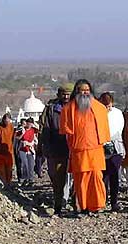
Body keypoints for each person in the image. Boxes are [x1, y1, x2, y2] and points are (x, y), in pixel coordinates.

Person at [60, 79, 111, 214]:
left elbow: (105, 129)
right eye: (82, 90)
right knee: (81, 179)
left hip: (96, 149)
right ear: (77, 92)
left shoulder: (99, 108)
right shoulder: (68, 109)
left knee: (96, 177)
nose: (84, 93)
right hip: (79, 151)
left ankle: (97, 205)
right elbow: (66, 130)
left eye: (87, 90)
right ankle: (83, 207)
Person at [39, 83, 74, 214]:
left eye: (68, 94)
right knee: (57, 178)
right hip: (57, 148)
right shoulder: (51, 108)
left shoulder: (77, 108)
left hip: (75, 147)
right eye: (63, 94)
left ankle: (77, 203)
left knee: (77, 177)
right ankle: (58, 204)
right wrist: (43, 146)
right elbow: (44, 128)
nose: (66, 96)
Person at [99, 92, 125, 211]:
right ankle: (102, 200)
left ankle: (114, 201)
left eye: (109, 106)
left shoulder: (118, 113)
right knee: (103, 176)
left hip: (116, 146)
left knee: (115, 174)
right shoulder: (97, 114)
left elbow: (120, 128)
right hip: (101, 147)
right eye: (105, 106)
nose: (107, 108)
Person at [0, 113, 15, 186]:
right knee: (1, 170)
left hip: (9, 151)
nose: (7, 123)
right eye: (6, 121)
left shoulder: (11, 127)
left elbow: (13, 138)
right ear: (3, 120)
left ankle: (9, 183)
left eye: (8, 121)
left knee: (9, 170)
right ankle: (3, 184)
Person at [16, 117, 38, 186]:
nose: (29, 125)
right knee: (25, 164)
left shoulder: (33, 130)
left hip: (30, 149)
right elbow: (17, 137)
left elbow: (39, 130)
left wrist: (32, 143)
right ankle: (24, 179)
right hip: (23, 149)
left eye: (31, 123)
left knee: (31, 164)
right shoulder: (22, 130)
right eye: (28, 123)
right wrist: (22, 136)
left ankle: (30, 179)